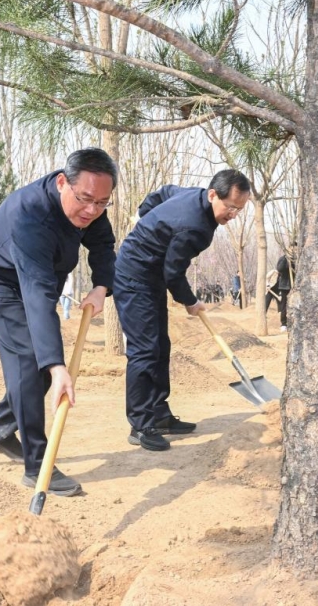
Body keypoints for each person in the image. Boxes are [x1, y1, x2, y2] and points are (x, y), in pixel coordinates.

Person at [0, 147, 117, 496]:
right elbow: (35, 296)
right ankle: (37, 465)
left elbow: (103, 244)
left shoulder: (90, 202)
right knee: (31, 361)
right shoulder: (29, 216)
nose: (92, 210)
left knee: (39, 365)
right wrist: (57, 365)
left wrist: (101, 286)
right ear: (63, 182)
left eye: (102, 203)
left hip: (36, 279)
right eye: (85, 200)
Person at [114, 170, 251, 451]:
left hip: (151, 276)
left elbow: (161, 193)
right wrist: (190, 301)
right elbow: (174, 273)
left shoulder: (193, 194)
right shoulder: (195, 228)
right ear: (213, 194)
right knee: (144, 350)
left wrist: (145, 216)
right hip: (133, 275)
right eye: (231, 207)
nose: (233, 214)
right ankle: (140, 425)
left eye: (240, 209)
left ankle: (159, 414)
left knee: (160, 346)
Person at [275, 244, 296, 332]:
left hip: (295, 286)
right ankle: (283, 323)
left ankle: (293, 322)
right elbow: (279, 268)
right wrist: (286, 259)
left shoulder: (297, 259)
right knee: (284, 305)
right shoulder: (283, 259)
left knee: (294, 305)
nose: (293, 250)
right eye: (292, 248)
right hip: (284, 286)